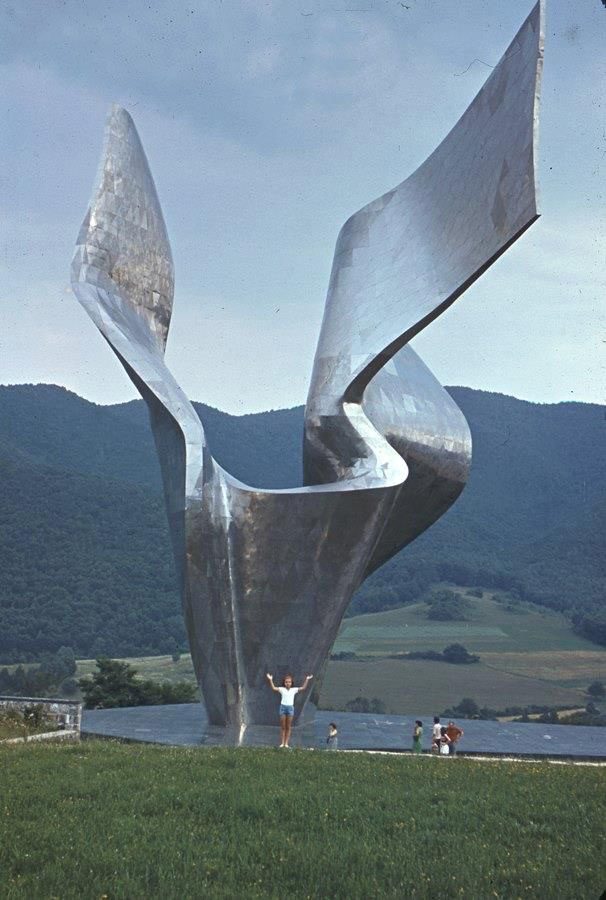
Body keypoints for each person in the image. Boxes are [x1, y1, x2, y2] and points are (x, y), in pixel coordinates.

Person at [266, 672, 313, 747]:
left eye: (289, 682)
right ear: (284, 683)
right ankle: (282, 743)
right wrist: (270, 679)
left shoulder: (294, 689)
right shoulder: (282, 689)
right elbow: (274, 688)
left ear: (291, 683)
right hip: (283, 708)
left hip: (290, 708)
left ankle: (286, 743)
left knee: (288, 726)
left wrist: (307, 679)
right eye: (286, 682)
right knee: (283, 726)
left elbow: (303, 688)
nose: (288, 683)